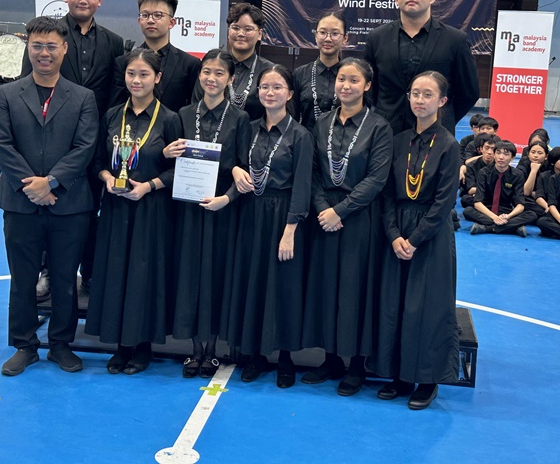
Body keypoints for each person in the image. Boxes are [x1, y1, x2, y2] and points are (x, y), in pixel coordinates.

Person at [0, 16, 99, 376]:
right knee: (22, 278)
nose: (44, 53)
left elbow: (85, 147)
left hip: (69, 204)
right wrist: (32, 186)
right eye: (37, 45)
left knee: (65, 279)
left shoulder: (83, 97)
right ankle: (24, 345)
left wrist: (51, 182)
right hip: (19, 202)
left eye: (52, 46)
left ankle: (61, 345)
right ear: (28, 48)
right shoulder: (7, 95)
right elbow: (2, 145)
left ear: (64, 49)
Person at [21, 0, 124, 291]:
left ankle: (90, 272)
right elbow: (28, 88)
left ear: (100, 0)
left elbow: (115, 93)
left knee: (91, 210)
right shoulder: (48, 39)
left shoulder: (114, 42)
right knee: (49, 209)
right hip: (51, 140)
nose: (83, 0)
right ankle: (48, 272)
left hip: (94, 144)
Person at [85, 48, 181, 375]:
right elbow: (97, 161)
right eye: (131, 74)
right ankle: (120, 345)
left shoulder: (170, 119)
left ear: (157, 78)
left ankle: (142, 346)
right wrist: (107, 178)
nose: (136, 80)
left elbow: (178, 170)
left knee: (143, 276)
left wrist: (149, 186)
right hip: (115, 208)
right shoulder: (113, 116)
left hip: (151, 210)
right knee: (116, 273)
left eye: (143, 74)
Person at [301, 58, 392, 396]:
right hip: (324, 216)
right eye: (341, 79)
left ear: (367, 86)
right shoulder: (321, 123)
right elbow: (312, 172)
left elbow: (376, 179)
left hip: (358, 218)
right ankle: (330, 358)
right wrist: (323, 208)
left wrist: (340, 211)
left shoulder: (378, 127)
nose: (346, 86)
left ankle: (356, 364)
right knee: (326, 287)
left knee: (355, 289)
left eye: (354, 80)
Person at [371, 70, 459, 410]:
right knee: (395, 304)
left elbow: (444, 201)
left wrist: (415, 239)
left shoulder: (448, 145)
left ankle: (427, 378)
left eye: (427, 95)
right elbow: (387, 193)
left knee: (427, 306)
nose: (420, 100)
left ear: (442, 101)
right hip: (398, 230)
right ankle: (400, 375)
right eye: (415, 94)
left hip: (430, 235)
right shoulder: (399, 141)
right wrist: (394, 235)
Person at [224, 65, 313, 388]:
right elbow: (234, 161)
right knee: (254, 281)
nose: (270, 92)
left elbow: (302, 185)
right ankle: (256, 354)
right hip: (251, 213)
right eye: (264, 87)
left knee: (284, 286)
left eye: (277, 87)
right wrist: (235, 170)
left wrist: (290, 229)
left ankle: (286, 357)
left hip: (283, 216)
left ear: (289, 94)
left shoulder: (301, 135)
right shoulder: (248, 128)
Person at [166, 50, 252, 378]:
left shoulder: (240, 118)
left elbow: (242, 167)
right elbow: (170, 163)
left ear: (231, 79)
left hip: (221, 209)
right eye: (206, 72)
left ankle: (212, 349)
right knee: (189, 274)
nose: (211, 78)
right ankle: (193, 350)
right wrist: (165, 152)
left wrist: (226, 198)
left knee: (216, 275)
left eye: (219, 73)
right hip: (188, 209)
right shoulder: (183, 115)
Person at [364, 0, 479, 136]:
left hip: (436, 134)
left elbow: (469, 92)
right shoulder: (376, 37)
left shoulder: (455, 40)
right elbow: (369, 87)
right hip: (386, 133)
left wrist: (443, 116)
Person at [113, 0, 200, 113]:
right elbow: (115, 108)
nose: (150, 20)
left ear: (171, 22)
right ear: (139, 21)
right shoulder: (123, 62)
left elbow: (193, 110)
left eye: (158, 15)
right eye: (145, 15)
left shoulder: (189, 64)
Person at [196, 3, 275, 121]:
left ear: (259, 34)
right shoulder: (211, 66)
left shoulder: (269, 72)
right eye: (235, 28)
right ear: (228, 31)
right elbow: (196, 106)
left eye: (248, 29)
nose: (241, 34)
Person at [463, 140, 537, 236]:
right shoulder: (484, 172)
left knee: (531, 215)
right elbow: (477, 203)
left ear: (512, 158)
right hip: (487, 211)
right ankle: (513, 228)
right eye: (498, 153)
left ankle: (487, 228)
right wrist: (495, 218)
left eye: (506, 154)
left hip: (506, 212)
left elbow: (520, 204)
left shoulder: (517, 175)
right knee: (468, 211)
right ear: (494, 155)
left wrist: (508, 216)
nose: (501, 157)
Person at [293, 11, 348, 131]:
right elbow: (293, 117)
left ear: (345, 38)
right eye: (322, 32)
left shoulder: (350, 77)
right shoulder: (300, 74)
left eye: (335, 33)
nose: (328, 39)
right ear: (316, 36)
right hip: (306, 139)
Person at [460, 133, 496, 209]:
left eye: (493, 149)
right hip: (480, 195)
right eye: (487, 148)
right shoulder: (471, 165)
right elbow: (470, 190)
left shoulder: (500, 165)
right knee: (466, 200)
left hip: (493, 196)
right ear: (481, 149)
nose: (489, 152)